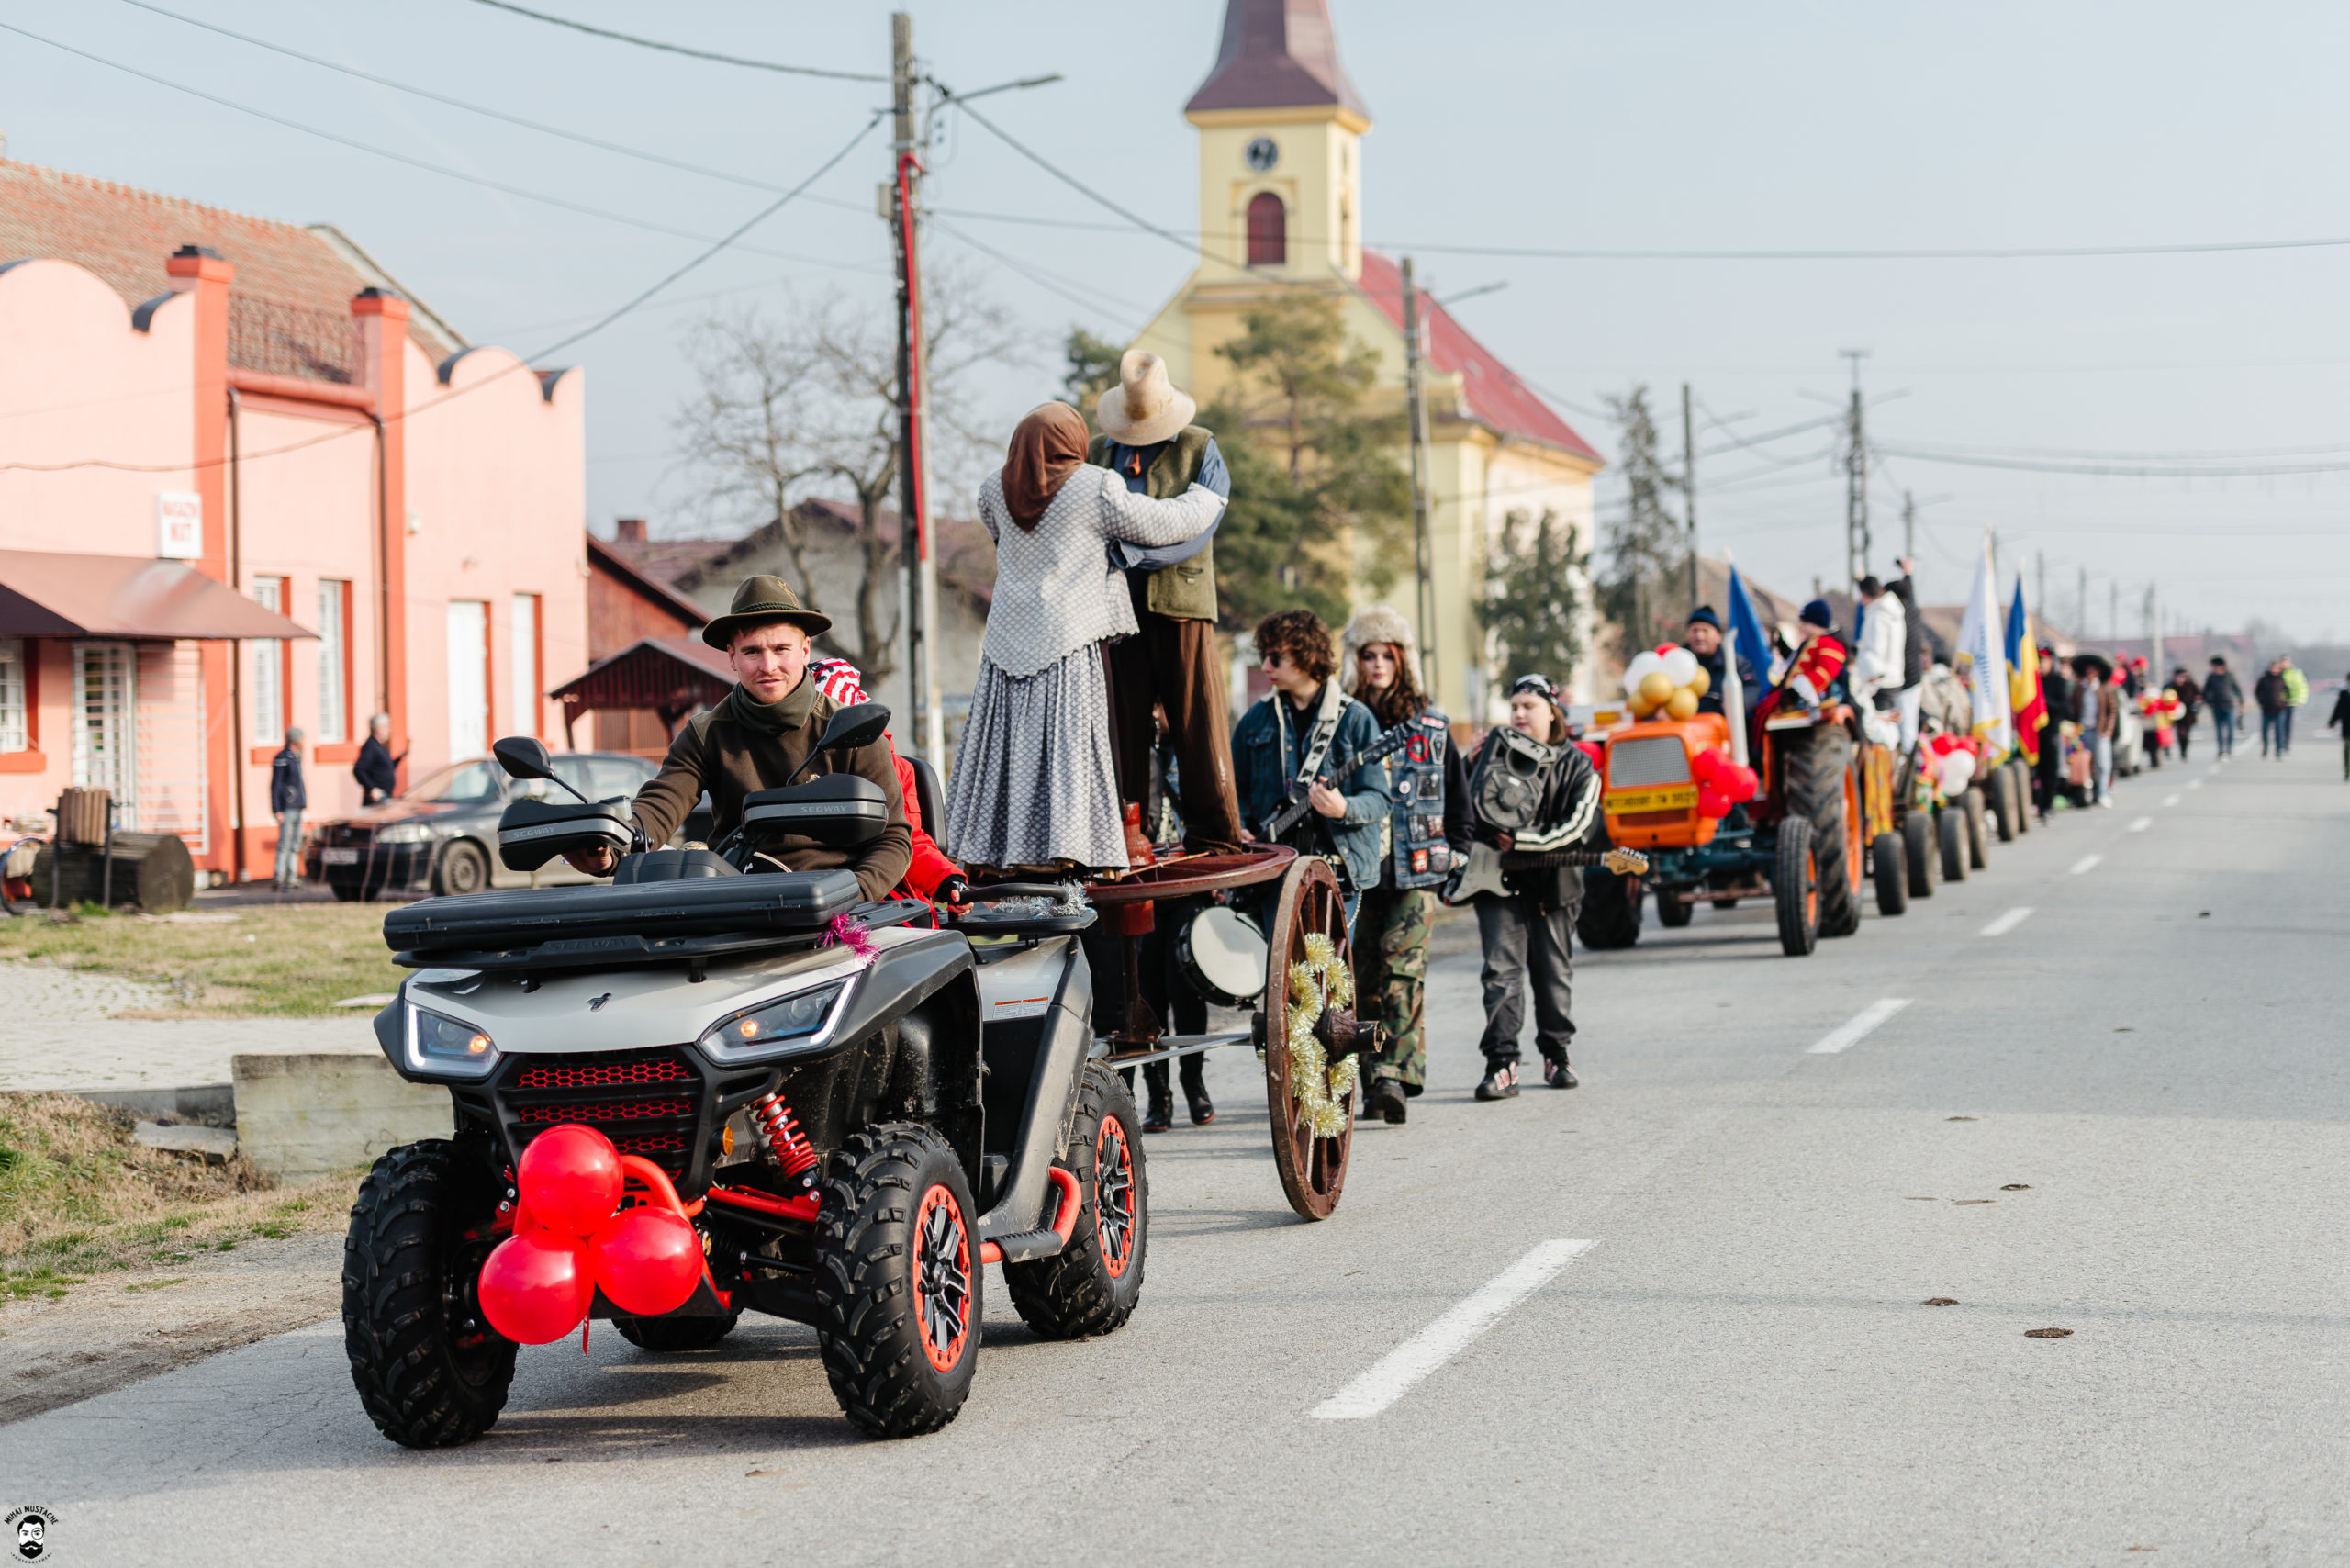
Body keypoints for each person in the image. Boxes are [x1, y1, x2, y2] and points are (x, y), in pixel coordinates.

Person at [946, 403, 1225, 873]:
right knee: (1069, 745)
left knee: (1006, 745)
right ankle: (1066, 849)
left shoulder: (993, 489)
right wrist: (1208, 496)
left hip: (1005, 641)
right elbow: (1161, 524)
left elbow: (1001, 538)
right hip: (1066, 638)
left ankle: (996, 854)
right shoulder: (1094, 486)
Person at [562, 576, 912, 896]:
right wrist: (614, 844)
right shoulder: (705, 733)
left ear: (805, 650)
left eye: (781, 649)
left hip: (837, 906)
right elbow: (659, 805)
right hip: (738, 899)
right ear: (732, 656)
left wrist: (852, 894)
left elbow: (894, 837)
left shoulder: (851, 730)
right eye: (752, 652)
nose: (768, 666)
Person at [1088, 351, 1248, 857]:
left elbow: (1198, 529)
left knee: (1197, 719)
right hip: (1117, 612)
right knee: (1122, 727)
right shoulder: (1097, 452)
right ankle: (1125, 835)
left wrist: (1130, 553)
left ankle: (1216, 833)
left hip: (1183, 605)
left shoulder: (1201, 446)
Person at [1340, 605, 1468, 1126]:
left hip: (1419, 869)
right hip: (1363, 867)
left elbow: (1457, 795)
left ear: (1402, 658)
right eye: (1368, 654)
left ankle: (1394, 1072)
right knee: (1362, 974)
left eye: (1386, 654)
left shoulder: (1431, 723)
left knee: (1402, 969)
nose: (1377, 665)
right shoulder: (1345, 722)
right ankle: (1373, 1076)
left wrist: (1457, 851)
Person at [1461, 675, 1600, 1102]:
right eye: (1515, 706)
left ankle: (1557, 1055)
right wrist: (1467, 768)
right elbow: (1462, 815)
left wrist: (1522, 842)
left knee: (1553, 974)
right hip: (1496, 883)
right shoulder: (1490, 755)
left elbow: (1578, 830)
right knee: (1500, 976)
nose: (1520, 714)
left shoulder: (1579, 765)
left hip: (1554, 886)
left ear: (1552, 713)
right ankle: (1501, 1065)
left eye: (1530, 706)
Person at [1232, 610, 1389, 937]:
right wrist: (1239, 827)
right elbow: (1235, 790)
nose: (1265, 667)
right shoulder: (1255, 720)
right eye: (1264, 657)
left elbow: (1380, 800)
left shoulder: (1355, 719)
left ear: (1305, 657)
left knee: (1330, 980)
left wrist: (1344, 809)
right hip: (1272, 872)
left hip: (1337, 872)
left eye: (1275, 658)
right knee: (1280, 981)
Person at [1850, 574, 1907, 725]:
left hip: (1879, 680)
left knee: (1877, 726)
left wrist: (1869, 680)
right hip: (1893, 675)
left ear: (1863, 593)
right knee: (1886, 722)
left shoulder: (1878, 615)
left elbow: (1875, 650)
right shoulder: (1893, 612)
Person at [1886, 557, 1929, 750]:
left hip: (1905, 679)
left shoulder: (1897, 616)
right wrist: (1908, 573)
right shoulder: (1911, 610)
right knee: (1907, 727)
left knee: (1905, 730)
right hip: (1911, 678)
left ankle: (1908, 772)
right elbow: (1911, 596)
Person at [1684, 606, 1757, 716]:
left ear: (1718, 636)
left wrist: (1737, 703)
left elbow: (1751, 687)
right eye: (1695, 631)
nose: (1699, 636)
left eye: (1705, 631)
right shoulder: (1679, 665)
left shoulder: (1737, 664)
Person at [2033, 647, 2072, 819]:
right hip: (2032, 734)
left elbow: (2065, 708)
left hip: (2051, 733)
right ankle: (2036, 803)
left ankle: (2046, 806)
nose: (2040, 664)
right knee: (2034, 772)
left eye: (2042, 660)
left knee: (2050, 772)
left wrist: (2043, 702)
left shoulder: (2058, 682)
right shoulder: (2031, 682)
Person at [2074, 655, 2118, 805]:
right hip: (2083, 731)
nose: (2090, 673)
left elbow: (2112, 711)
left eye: (2093, 670)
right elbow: (2073, 708)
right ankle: (2089, 792)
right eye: (2088, 670)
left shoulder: (2105, 689)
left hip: (2099, 732)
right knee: (2085, 763)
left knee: (2103, 764)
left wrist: (2108, 730)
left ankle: (2103, 792)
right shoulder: (2080, 689)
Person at [271, 726, 307, 892]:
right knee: (284, 843)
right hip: (286, 807)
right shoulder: (283, 757)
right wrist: (276, 808)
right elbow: (276, 784)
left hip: (297, 806)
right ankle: (279, 877)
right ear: (294, 739)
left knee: (295, 843)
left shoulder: (297, 757)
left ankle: (292, 877)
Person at [353, 712, 402, 805]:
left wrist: (399, 759)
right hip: (376, 801)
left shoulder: (379, 746)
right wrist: (372, 788)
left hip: (386, 797)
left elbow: (385, 768)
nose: (389, 730)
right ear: (378, 728)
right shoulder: (370, 746)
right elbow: (359, 769)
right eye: (387, 727)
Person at [2204, 655, 2241, 757]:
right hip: (2216, 706)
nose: (2214, 668)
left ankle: (2229, 748)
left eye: (2215, 666)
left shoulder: (2230, 676)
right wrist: (2208, 702)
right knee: (2219, 730)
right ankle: (2221, 749)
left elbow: (2237, 689)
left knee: (2230, 728)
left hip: (2229, 706)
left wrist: (2241, 701)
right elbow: (2206, 691)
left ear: (2221, 666)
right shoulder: (2211, 677)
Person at [2255, 659, 2288, 758]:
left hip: (2279, 710)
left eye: (2276, 668)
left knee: (2279, 731)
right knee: (2265, 731)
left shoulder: (2281, 679)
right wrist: (2261, 702)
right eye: (2272, 667)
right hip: (2267, 709)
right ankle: (2265, 747)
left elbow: (2287, 693)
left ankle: (2278, 750)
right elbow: (2257, 692)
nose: (2274, 669)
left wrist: (2284, 704)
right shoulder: (2264, 679)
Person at [2170, 666, 2201, 761]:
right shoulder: (2171, 686)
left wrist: (2197, 704)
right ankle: (2181, 750)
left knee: (2186, 732)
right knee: (2180, 732)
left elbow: (2199, 696)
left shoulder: (2191, 685)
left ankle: (2185, 751)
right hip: (2176, 712)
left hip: (2189, 713)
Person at [2280, 658, 2309, 754]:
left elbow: (2302, 687)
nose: (2285, 664)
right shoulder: (2278, 672)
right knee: (2280, 724)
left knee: (2287, 724)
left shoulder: (2295, 673)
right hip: (2279, 703)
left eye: (2286, 662)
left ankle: (2286, 743)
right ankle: (2280, 743)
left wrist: (2300, 700)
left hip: (2290, 702)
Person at [2328, 676, 2350, 780]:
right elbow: (2338, 709)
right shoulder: (2344, 694)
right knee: (2347, 749)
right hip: (2347, 727)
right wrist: (2332, 721)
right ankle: (2347, 770)